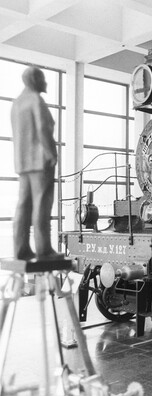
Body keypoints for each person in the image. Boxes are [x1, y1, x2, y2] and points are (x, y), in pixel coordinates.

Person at [11, 66, 61, 260]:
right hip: (40, 162)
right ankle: (43, 250)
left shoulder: (17, 103)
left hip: (23, 162)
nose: (45, 82)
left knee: (23, 205)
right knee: (42, 205)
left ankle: (20, 249)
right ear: (35, 80)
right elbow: (42, 129)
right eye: (43, 79)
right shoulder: (36, 100)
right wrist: (51, 154)